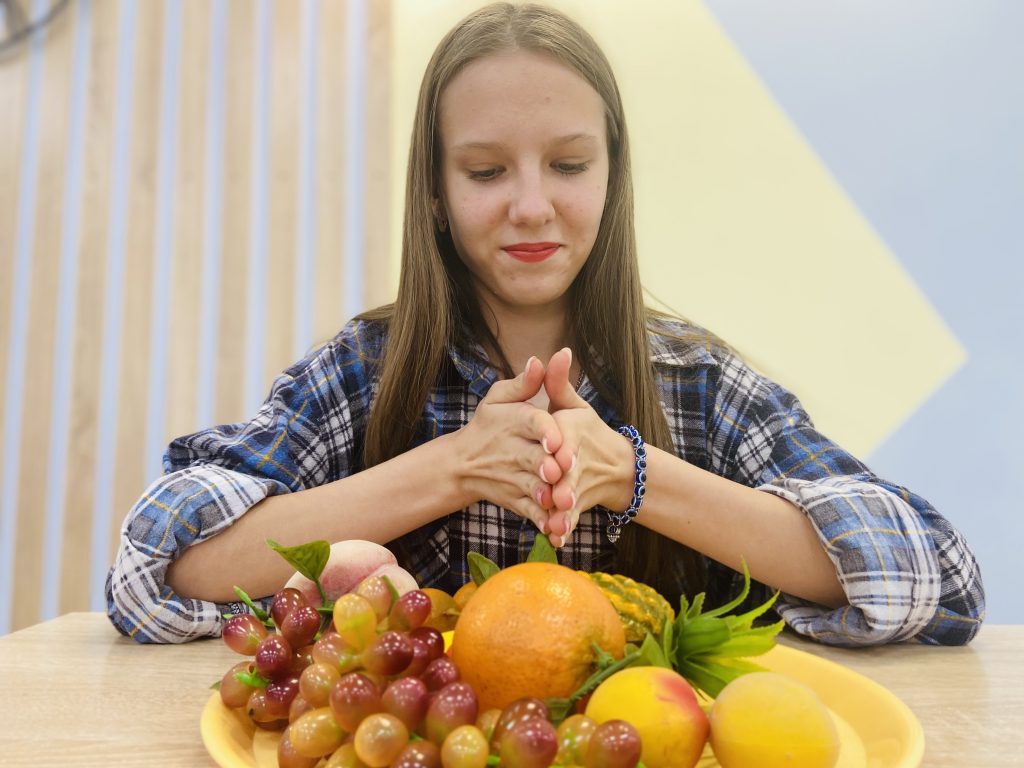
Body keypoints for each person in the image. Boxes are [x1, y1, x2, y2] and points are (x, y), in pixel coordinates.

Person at [106, 2, 983, 645]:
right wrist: (452, 467)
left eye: (567, 164)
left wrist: (631, 474)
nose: (532, 206)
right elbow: (159, 565)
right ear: (439, 197)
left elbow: (939, 580)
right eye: (486, 172)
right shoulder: (362, 372)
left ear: (611, 177)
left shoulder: (697, 382)